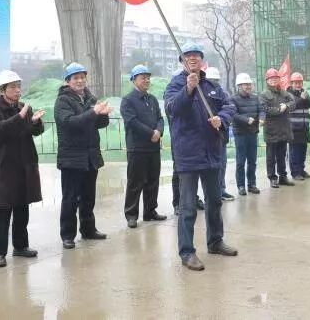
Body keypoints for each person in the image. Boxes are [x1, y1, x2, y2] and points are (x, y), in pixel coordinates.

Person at [164, 43, 237, 271]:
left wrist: (221, 118)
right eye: (188, 56)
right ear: (182, 61)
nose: (193, 59)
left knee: (214, 201)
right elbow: (173, 109)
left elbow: (229, 105)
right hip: (188, 155)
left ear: (202, 60)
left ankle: (215, 241)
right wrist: (188, 89)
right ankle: (187, 252)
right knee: (187, 207)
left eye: (196, 55)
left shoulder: (212, 86)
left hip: (211, 152)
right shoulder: (175, 85)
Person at [0, 70, 45, 268]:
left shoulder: (24, 107)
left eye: (19, 86)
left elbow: (36, 131)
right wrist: (20, 117)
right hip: (5, 167)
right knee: (2, 212)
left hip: (24, 164)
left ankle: (21, 246)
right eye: (13, 87)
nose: (18, 90)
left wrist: (35, 122)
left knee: (22, 209)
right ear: (2, 90)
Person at [55, 62, 111, 249]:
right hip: (72, 157)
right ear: (68, 81)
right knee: (70, 198)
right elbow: (70, 123)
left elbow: (99, 124)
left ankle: (88, 230)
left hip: (90, 156)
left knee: (88, 197)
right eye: (75, 78)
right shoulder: (63, 101)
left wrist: (103, 115)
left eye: (82, 77)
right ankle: (67, 235)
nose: (80, 81)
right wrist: (93, 112)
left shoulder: (90, 98)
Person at [121, 65, 167, 229]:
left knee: (153, 181)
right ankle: (131, 215)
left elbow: (160, 118)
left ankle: (150, 211)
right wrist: (151, 133)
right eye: (143, 78)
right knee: (135, 182)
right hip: (137, 148)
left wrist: (159, 131)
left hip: (153, 147)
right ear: (134, 80)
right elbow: (132, 121)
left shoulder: (152, 99)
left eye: (148, 77)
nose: (147, 80)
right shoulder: (128, 100)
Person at [260, 68, 296, 186]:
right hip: (271, 130)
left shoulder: (284, 93)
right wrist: (279, 110)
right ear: (267, 80)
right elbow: (265, 109)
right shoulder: (264, 95)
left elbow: (293, 102)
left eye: (276, 78)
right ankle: (272, 178)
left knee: (282, 155)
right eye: (271, 78)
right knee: (271, 157)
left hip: (283, 129)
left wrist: (286, 106)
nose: (274, 80)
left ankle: (283, 176)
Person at [205, 67, 235, 201]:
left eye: (216, 80)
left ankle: (221, 190)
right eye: (212, 80)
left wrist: (222, 120)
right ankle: (211, 194)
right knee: (208, 169)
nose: (214, 82)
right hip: (207, 138)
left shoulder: (223, 94)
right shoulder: (202, 95)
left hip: (221, 136)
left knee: (222, 165)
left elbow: (230, 110)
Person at [230, 73, 261, 196]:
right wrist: (246, 119)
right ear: (239, 86)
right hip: (240, 134)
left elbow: (261, 109)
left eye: (249, 84)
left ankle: (252, 184)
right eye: (245, 84)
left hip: (253, 133)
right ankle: (241, 185)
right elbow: (233, 114)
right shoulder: (233, 99)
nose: (248, 86)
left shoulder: (255, 98)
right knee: (241, 161)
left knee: (252, 160)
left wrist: (262, 118)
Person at [287, 72, 310, 180]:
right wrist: (301, 99)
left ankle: (301, 170)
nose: (298, 85)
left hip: (304, 127)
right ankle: (295, 173)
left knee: (303, 151)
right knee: (294, 152)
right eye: (296, 83)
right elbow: (291, 107)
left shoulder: (303, 93)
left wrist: (306, 98)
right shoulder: (288, 95)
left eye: (300, 82)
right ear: (292, 83)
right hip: (293, 128)